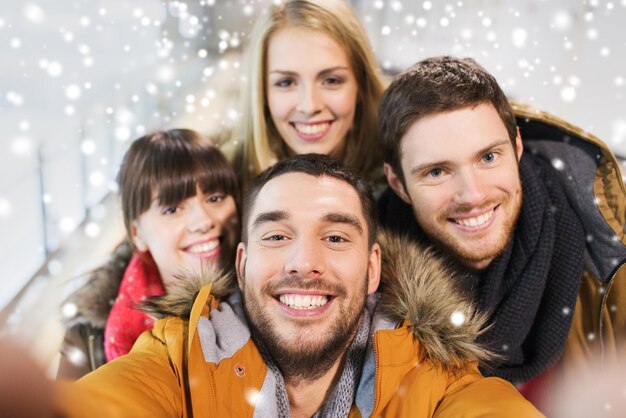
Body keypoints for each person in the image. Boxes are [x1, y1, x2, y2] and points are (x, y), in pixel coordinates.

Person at [54, 154, 542, 417]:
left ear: (373, 268)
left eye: (334, 236)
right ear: (241, 266)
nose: (304, 261)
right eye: (276, 235)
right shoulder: (176, 359)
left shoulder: (437, 385)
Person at [377, 55, 626, 410]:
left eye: (488, 157)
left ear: (517, 147)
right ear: (398, 183)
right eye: (436, 172)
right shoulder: (366, 301)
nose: (473, 195)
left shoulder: (611, 273)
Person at [57, 129, 240, 378]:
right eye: (172, 209)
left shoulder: (272, 303)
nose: (203, 221)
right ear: (137, 234)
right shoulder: (88, 343)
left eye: (216, 198)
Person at [232, 0, 385, 190]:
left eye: (331, 80)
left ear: (361, 85)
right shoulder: (223, 184)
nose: (309, 106)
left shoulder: (400, 180)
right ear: (262, 93)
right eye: (286, 82)